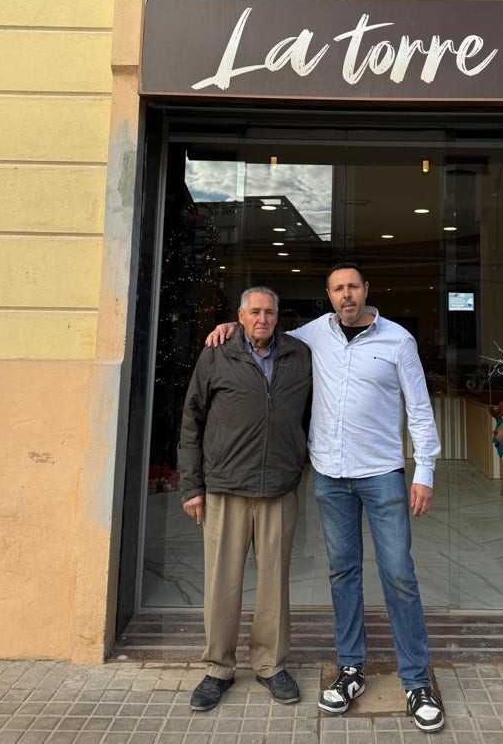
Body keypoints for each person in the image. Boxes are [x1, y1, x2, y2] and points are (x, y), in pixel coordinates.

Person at [208, 263, 445, 732]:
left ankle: (416, 680)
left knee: (399, 575)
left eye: (353, 286)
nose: (346, 294)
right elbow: (267, 328)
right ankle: (351, 669)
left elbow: (418, 408)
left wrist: (426, 471)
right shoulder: (313, 335)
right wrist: (233, 325)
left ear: (366, 289)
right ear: (329, 295)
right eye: (338, 288)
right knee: (343, 573)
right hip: (331, 477)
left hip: (382, 475)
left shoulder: (397, 340)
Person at [178, 286, 312, 712]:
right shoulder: (217, 353)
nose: (263, 319)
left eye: (270, 312)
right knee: (222, 582)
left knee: (274, 582)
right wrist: (191, 486)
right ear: (239, 315)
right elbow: (191, 420)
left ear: (278, 316)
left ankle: (270, 665)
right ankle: (218, 667)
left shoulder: (299, 354)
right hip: (225, 488)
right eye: (254, 312)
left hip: (277, 488)